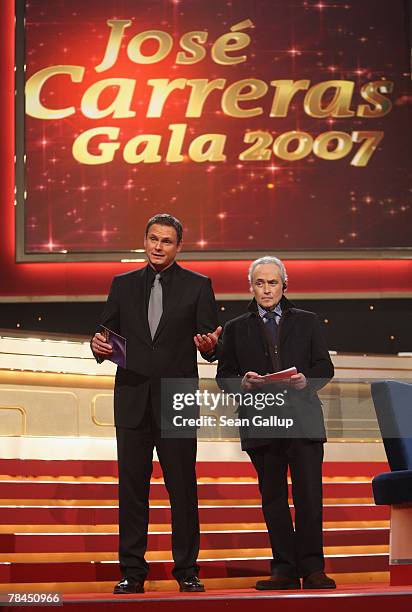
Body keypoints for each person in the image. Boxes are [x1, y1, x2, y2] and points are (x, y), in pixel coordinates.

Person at [91, 214, 221, 594]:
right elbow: (105, 331)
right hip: (132, 397)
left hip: (176, 398)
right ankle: (132, 571)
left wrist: (211, 348)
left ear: (179, 246)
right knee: (132, 489)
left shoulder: (199, 286)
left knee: (183, 488)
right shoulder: (122, 284)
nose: (158, 246)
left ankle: (187, 570)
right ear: (144, 241)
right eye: (152, 239)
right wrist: (97, 344)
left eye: (166, 241)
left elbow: (211, 340)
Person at [216, 256, 336, 590]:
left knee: (309, 496)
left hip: (303, 421)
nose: (266, 289)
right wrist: (244, 382)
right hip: (261, 422)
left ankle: (312, 569)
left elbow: (324, 367)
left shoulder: (308, 321)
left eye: (272, 282)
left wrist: (305, 381)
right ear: (250, 286)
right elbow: (223, 376)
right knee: (273, 499)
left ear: (285, 285)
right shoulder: (236, 327)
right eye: (260, 283)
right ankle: (284, 569)